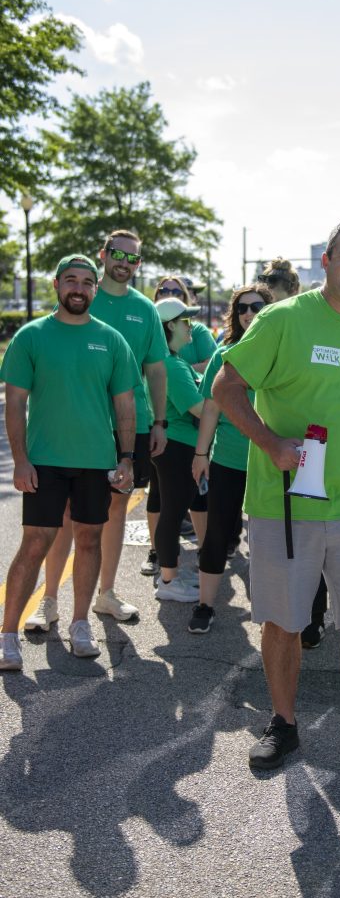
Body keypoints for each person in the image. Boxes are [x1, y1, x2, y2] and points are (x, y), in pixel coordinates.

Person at [212, 219, 340, 795]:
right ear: (325, 261)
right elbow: (227, 387)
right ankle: (284, 724)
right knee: (285, 622)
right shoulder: (282, 319)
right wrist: (272, 443)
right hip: (285, 504)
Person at [0, 255, 139, 670]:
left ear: (95, 289)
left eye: (86, 282)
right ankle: (8, 636)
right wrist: (20, 460)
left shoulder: (112, 340)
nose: (78, 288)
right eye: (71, 281)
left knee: (90, 540)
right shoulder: (32, 336)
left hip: (96, 462)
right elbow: (15, 403)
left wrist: (127, 458)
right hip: (44, 462)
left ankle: (80, 624)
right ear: (57, 285)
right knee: (36, 543)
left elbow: (125, 405)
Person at [29, 229, 168, 631]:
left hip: (133, 426)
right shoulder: (82, 295)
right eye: (117, 254)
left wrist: (159, 422)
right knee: (69, 513)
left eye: (132, 258)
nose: (123, 262)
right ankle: (50, 600)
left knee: (115, 509)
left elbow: (156, 370)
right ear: (103, 254)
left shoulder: (145, 310)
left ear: (138, 264)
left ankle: (106, 594)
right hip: (81, 424)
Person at [188, 283, 273, 633]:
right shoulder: (226, 353)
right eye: (242, 308)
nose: (249, 313)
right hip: (228, 460)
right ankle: (205, 605)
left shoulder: (283, 351)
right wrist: (201, 453)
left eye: (256, 307)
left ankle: (277, 612)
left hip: (271, 461)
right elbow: (210, 408)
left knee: (270, 539)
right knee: (217, 535)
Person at [148, 297, 208, 603]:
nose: (191, 328)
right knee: (172, 514)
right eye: (186, 322)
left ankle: (169, 575)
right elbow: (199, 408)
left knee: (170, 512)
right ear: (171, 325)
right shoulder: (172, 365)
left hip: (173, 446)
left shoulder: (169, 361)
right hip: (179, 448)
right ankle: (169, 581)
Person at [154, 275, 217, 374]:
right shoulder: (148, 330)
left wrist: (177, 371)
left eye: (176, 292)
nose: (170, 295)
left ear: (185, 296)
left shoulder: (197, 330)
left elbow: (213, 365)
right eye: (163, 291)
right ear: (156, 296)